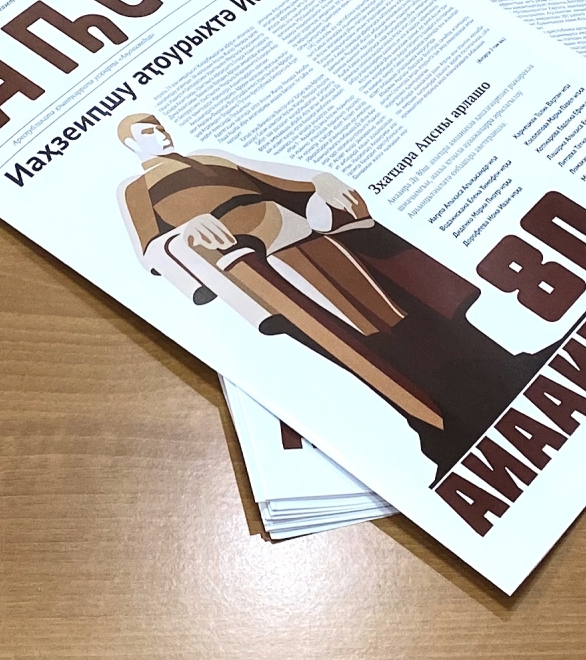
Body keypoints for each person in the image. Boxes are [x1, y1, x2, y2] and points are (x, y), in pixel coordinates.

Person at [116, 113, 549, 483]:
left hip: (301, 230)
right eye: (148, 130)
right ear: (132, 143)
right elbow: (149, 251)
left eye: (159, 125)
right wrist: (182, 232)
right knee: (355, 340)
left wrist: (319, 180)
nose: (160, 132)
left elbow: (276, 176)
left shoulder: (210, 157)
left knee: (404, 306)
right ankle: (442, 425)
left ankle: (499, 369)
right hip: (248, 257)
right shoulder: (138, 188)